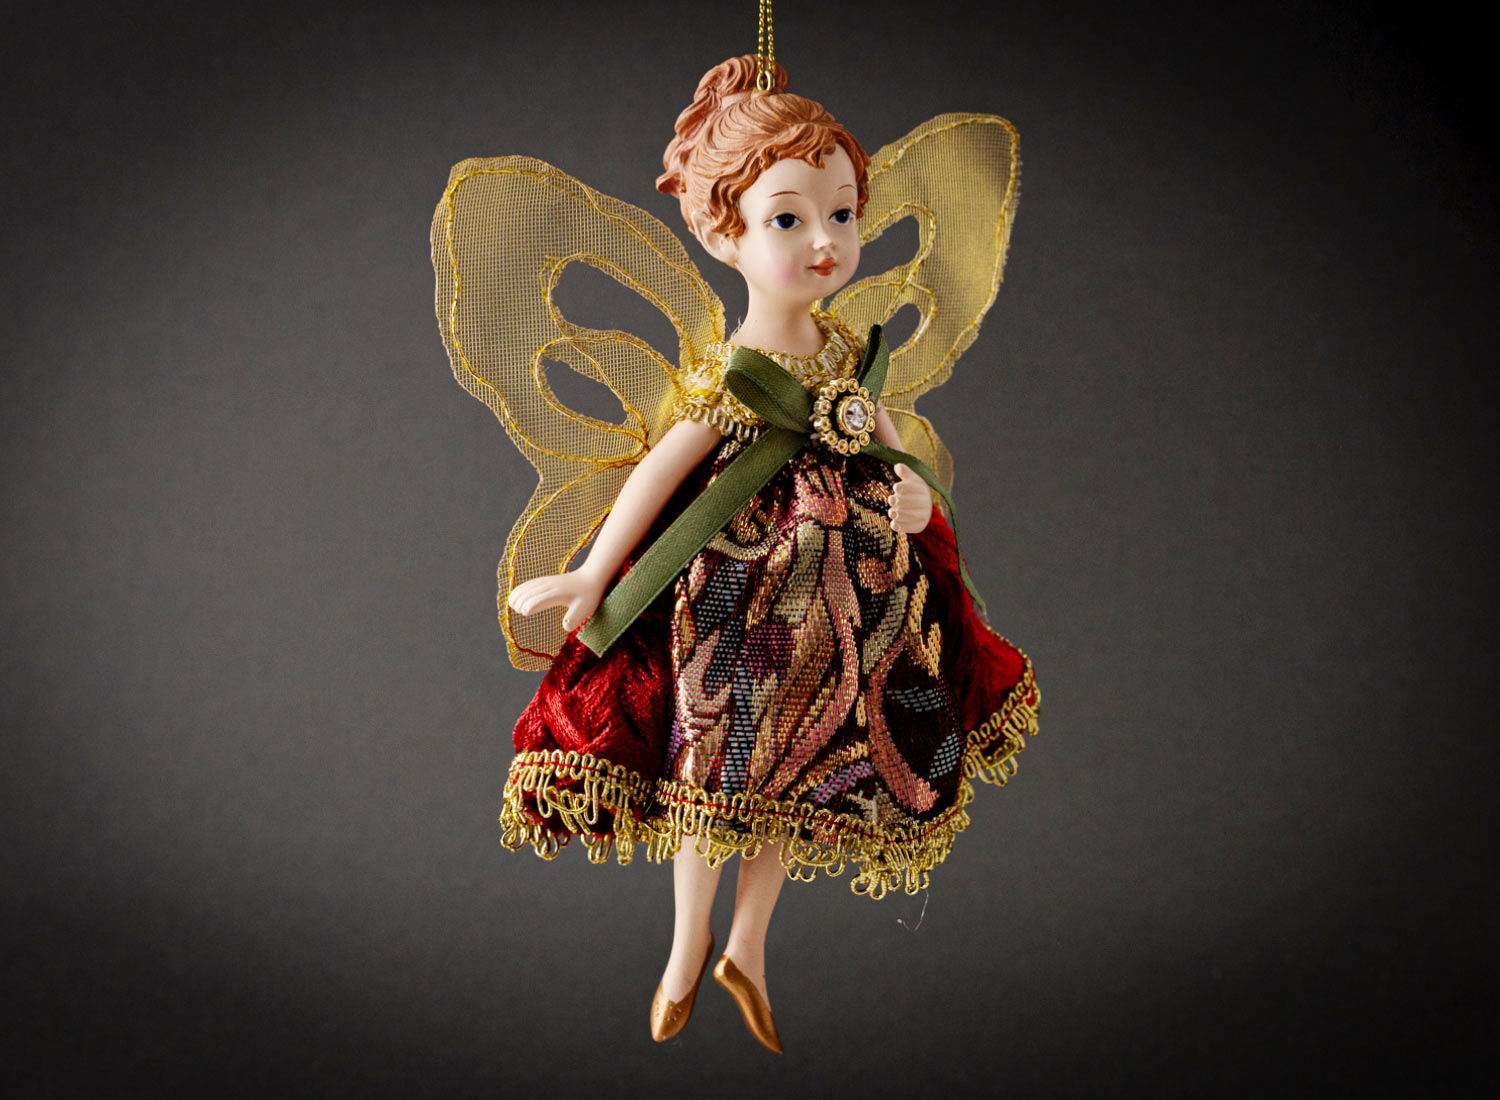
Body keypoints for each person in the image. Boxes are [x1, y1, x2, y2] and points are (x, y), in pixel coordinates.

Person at [501, 55, 1036, 1053]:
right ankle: (687, 941)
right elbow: (660, 473)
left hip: (844, 602)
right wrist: (593, 571)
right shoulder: (737, 372)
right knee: (717, 762)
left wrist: (920, 501)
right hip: (741, 598)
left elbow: (892, 451)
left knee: (798, 766)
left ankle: (746, 944)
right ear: (724, 235)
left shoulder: (848, 359)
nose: (826, 241)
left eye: (842, 214)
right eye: (789, 218)